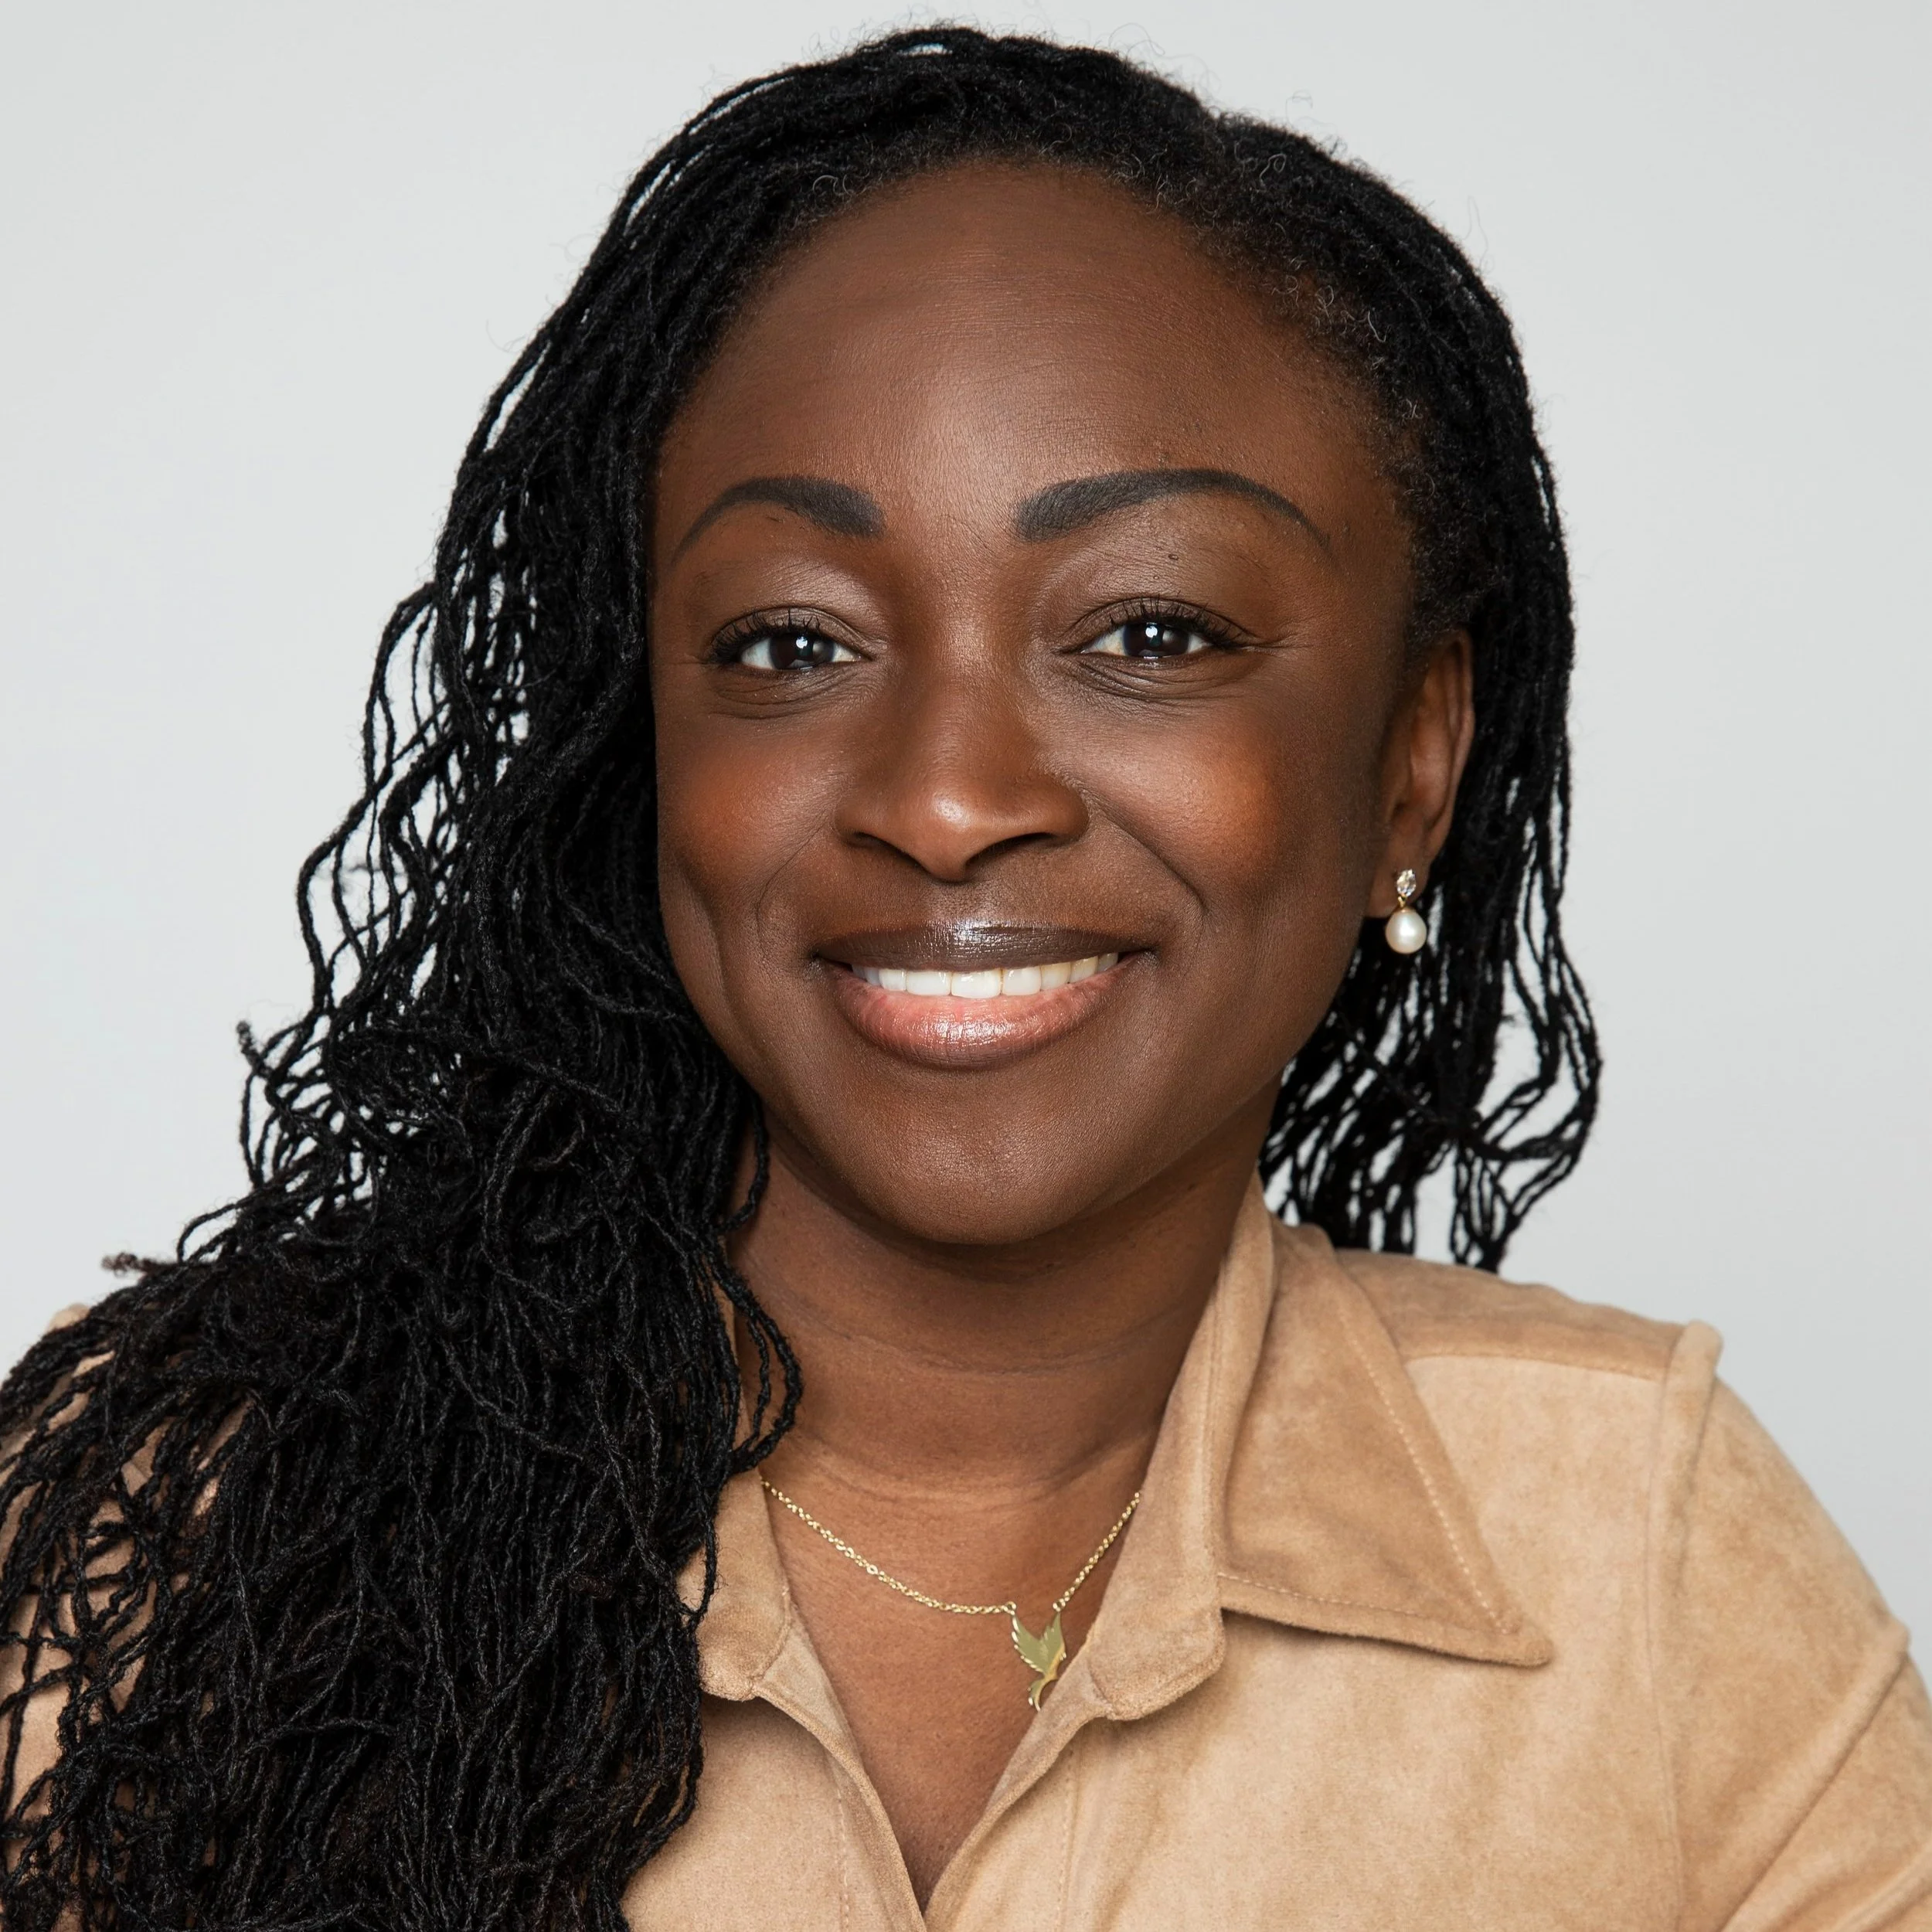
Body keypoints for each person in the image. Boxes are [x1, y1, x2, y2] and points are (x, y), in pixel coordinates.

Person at [2, 26, 1926, 1930]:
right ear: (636, 741)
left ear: (1411, 766)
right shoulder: (173, 1522)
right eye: (788, 643)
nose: (942, 801)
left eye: (1148, 632)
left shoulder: (1634, 1545)